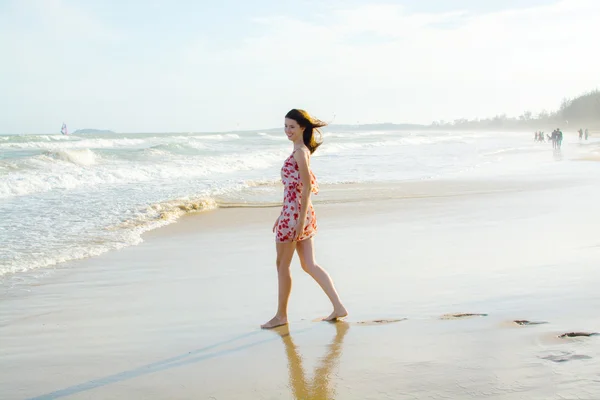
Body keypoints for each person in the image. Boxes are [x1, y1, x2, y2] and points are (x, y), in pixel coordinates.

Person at [261, 109, 348, 329]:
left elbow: (307, 185)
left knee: (282, 265)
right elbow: (296, 188)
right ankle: (338, 306)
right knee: (309, 264)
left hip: (296, 213)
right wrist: (285, 214)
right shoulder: (301, 151)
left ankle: (281, 316)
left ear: (302, 128)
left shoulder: (300, 152)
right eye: (285, 126)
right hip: (296, 212)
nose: (287, 131)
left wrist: (298, 219)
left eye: (292, 126)